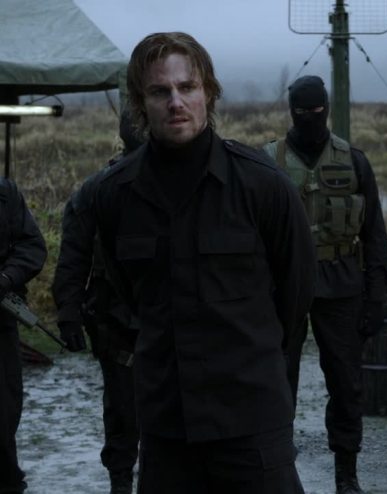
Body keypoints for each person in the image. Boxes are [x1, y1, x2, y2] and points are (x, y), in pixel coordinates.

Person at [91, 32, 315, 493]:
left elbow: (294, 302)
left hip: (252, 423)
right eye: (160, 91)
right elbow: (125, 295)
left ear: (208, 92)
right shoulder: (115, 196)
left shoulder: (263, 186)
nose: (176, 102)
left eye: (187, 87)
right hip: (166, 430)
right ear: (140, 102)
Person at [262, 75, 387, 494]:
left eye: (317, 111)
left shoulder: (354, 161)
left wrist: (376, 298)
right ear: (291, 111)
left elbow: (375, 235)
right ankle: (278, 469)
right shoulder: (268, 161)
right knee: (278, 380)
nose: (310, 118)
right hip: (285, 286)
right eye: (302, 111)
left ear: (327, 109)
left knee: (346, 382)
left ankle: (346, 473)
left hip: (341, 283)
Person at [51, 109, 142, 494]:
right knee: (122, 408)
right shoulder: (98, 188)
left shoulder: (188, 180)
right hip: (116, 316)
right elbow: (74, 254)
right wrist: (68, 311)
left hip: (179, 317)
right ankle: (120, 481)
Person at [0, 180, 47, 494]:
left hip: (0, 327)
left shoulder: (5, 195)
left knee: (4, 417)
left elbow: (32, 246)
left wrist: (6, 278)